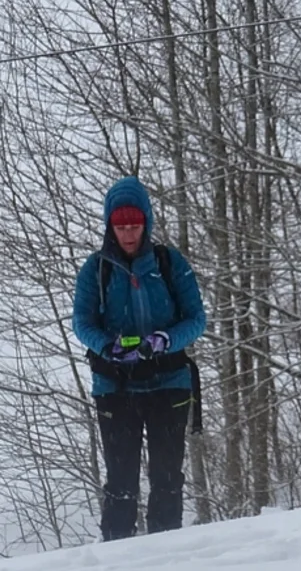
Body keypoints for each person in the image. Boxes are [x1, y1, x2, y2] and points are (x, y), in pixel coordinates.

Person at [72, 175, 207, 541]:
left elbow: (196, 319)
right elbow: (81, 322)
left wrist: (165, 339)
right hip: (115, 388)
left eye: (134, 225)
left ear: (146, 222)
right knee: (120, 483)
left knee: (167, 479)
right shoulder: (96, 270)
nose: (128, 233)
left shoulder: (169, 263)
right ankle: (117, 556)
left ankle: (166, 558)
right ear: (109, 227)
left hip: (169, 383)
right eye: (120, 226)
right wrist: (108, 346)